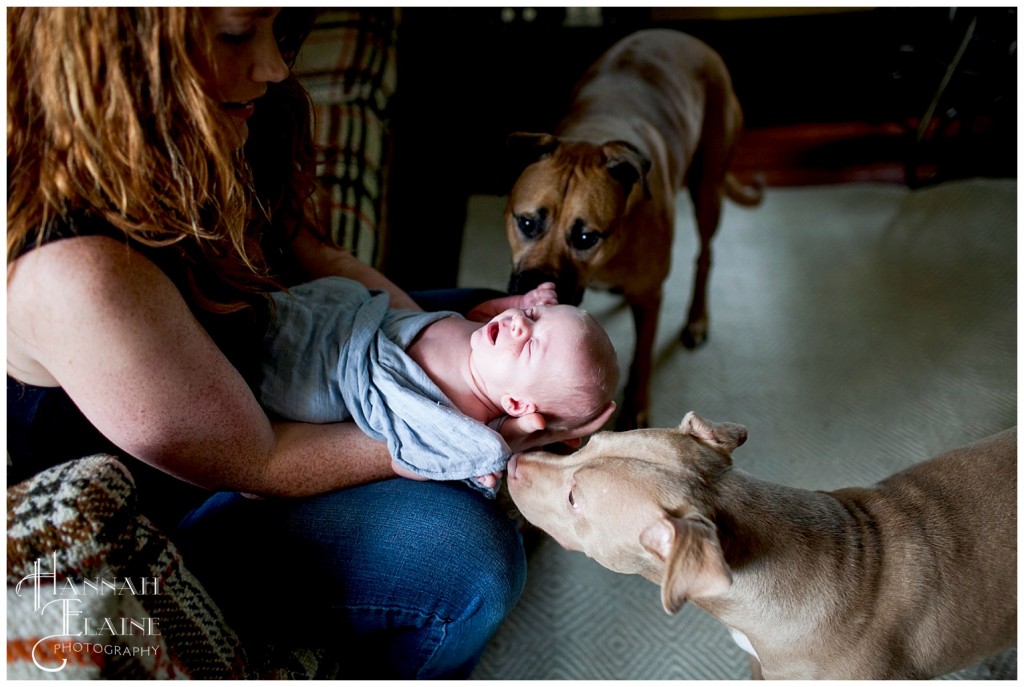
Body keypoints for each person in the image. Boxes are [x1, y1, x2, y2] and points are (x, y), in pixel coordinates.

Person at [6, 7, 615, 678]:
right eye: (237, 35)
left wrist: (434, 342)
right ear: (123, 55)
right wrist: (460, 427)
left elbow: (313, 252)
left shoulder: (244, 105)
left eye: (275, 28)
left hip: (274, 355)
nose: (272, 65)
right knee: (474, 559)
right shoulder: (76, 274)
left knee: (488, 325)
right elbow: (260, 461)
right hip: (187, 497)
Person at [259, 276, 620, 493]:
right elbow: (477, 314)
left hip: (336, 372)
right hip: (345, 317)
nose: (518, 324)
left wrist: (486, 453)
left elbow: (423, 456)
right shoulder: (484, 337)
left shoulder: (467, 425)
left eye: (530, 344)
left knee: (263, 359)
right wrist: (519, 302)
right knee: (265, 313)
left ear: (515, 405)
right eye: (532, 316)